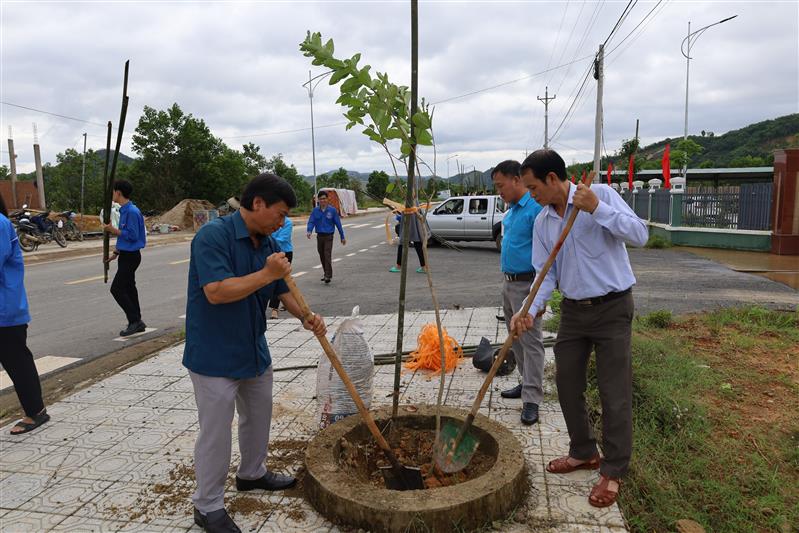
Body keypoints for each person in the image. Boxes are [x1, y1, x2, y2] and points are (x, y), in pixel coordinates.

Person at [183, 173, 326, 533]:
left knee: (258, 417)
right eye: (280, 214)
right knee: (216, 432)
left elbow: (282, 289)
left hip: (253, 349)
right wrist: (266, 274)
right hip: (215, 355)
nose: (283, 222)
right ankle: (208, 505)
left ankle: (251, 473)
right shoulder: (212, 237)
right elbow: (216, 291)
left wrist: (307, 316)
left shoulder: (265, 241)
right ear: (258, 204)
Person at [510, 149, 648, 509]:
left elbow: (640, 234)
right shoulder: (542, 222)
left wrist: (598, 210)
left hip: (613, 307)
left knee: (613, 390)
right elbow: (545, 274)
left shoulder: (600, 195)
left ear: (552, 179)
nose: (530, 194)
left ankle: (614, 469)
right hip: (573, 311)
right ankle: (584, 451)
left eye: (533, 186)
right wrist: (528, 310)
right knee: (567, 382)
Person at [491, 160, 545, 425]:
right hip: (509, 283)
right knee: (516, 339)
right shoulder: (511, 210)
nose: (499, 191)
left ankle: (533, 399)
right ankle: (526, 385)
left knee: (531, 341)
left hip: (528, 285)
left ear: (516, 180)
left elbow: (547, 255)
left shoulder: (535, 210)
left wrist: (539, 295)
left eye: (501, 185)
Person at [0, 194, 50, 435]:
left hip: (5, 310)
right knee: (15, 359)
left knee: (17, 361)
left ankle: (36, 411)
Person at [103, 180, 147, 337]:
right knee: (129, 288)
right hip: (126, 255)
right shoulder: (124, 210)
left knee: (117, 289)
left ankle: (135, 320)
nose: (112, 195)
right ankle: (136, 321)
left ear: (118, 193)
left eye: (113, 192)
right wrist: (116, 253)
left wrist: (112, 230)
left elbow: (133, 236)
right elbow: (125, 238)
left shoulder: (132, 212)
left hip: (132, 257)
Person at [306, 190, 345, 284]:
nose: (322, 200)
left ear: (327, 199)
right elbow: (311, 221)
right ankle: (326, 273)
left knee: (327, 255)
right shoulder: (315, 211)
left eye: (324, 198)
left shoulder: (332, 210)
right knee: (322, 255)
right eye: (320, 199)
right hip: (320, 236)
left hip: (329, 236)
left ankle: (328, 275)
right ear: (318, 200)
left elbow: (338, 224)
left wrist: (342, 236)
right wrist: (309, 230)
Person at [269, 217, 293, 319]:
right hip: (271, 252)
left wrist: (267, 240)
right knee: (285, 279)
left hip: (284, 253)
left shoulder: (287, 222)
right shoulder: (270, 219)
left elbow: (283, 238)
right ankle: (288, 301)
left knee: (278, 279)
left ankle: (274, 309)